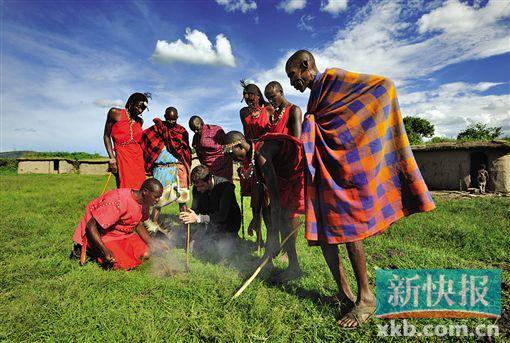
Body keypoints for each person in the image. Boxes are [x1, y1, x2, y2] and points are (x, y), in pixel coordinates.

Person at [285, 50, 436, 328]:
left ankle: (366, 297)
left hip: (345, 168)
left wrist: (349, 139)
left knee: (349, 230)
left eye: (292, 75)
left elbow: (384, 85)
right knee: (325, 234)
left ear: (305, 66)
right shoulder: (314, 95)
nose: (292, 83)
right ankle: (345, 293)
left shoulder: (333, 79)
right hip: (323, 170)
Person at [223, 130, 304, 283]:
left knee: (284, 219)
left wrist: (272, 236)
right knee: (280, 219)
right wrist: (255, 217)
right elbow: (260, 186)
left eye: (232, 154)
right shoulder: (254, 155)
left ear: (239, 145)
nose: (234, 160)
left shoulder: (261, 154)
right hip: (285, 182)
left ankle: (293, 267)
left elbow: (275, 199)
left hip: (297, 177)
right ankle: (275, 260)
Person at [71, 178, 165, 270]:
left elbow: (138, 224)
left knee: (147, 254)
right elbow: (91, 226)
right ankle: (90, 250)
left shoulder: (145, 202)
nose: (158, 200)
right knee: (121, 264)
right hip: (105, 235)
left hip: (124, 234)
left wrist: (153, 243)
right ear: (145, 192)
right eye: (156, 197)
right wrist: (105, 250)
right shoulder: (119, 200)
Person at [141, 107, 192, 231]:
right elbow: (144, 141)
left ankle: (186, 229)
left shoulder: (181, 131)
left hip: (178, 169)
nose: (171, 122)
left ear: (178, 118)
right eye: (168, 119)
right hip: (161, 170)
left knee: (182, 200)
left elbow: (185, 151)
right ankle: (152, 227)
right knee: (158, 201)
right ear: (164, 116)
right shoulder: (155, 130)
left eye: (173, 120)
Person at [179, 165, 241, 249]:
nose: (198, 190)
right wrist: (188, 216)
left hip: (228, 225)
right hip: (209, 224)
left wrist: (198, 218)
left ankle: (233, 239)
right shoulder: (197, 188)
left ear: (209, 180)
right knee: (192, 247)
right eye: (196, 186)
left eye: (201, 186)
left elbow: (222, 215)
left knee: (220, 248)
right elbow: (196, 209)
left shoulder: (226, 187)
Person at [239, 81, 270, 242]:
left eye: (252, 99)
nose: (250, 102)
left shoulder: (269, 109)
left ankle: (275, 240)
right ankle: (259, 239)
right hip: (251, 155)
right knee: (256, 198)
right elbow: (245, 135)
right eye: (246, 99)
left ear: (259, 96)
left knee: (269, 198)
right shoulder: (243, 112)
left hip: (267, 154)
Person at [103, 92, 149, 189]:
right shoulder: (115, 113)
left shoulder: (140, 121)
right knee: (124, 189)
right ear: (131, 102)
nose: (140, 111)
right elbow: (106, 136)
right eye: (139, 107)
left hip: (138, 159)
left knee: (140, 189)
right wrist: (112, 159)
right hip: (122, 157)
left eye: (143, 109)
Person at [189, 116, 233, 182]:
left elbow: (226, 146)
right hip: (209, 168)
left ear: (202, 123)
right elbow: (199, 155)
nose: (196, 131)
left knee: (225, 187)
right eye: (193, 130)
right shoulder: (195, 138)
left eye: (197, 128)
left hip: (223, 165)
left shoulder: (216, 130)